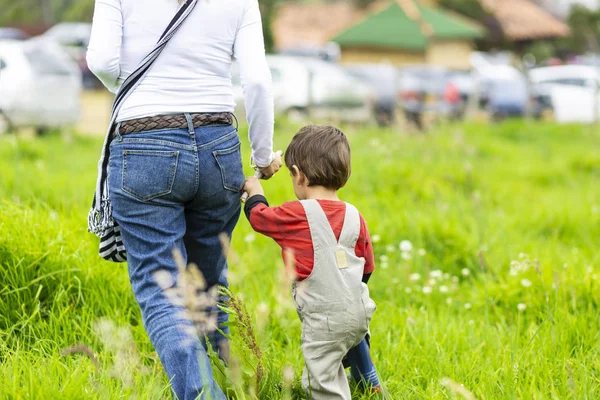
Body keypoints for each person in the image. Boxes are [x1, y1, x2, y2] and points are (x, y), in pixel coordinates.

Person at [86, 0, 281, 398]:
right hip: (218, 147)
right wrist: (262, 156)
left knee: (163, 289)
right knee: (207, 282)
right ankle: (227, 380)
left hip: (144, 138)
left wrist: (136, 86)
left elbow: (102, 62)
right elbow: (257, 80)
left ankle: (206, 393)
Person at [243, 125, 382, 398]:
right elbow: (367, 267)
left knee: (322, 382)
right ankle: (370, 382)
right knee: (354, 338)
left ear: (298, 175)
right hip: (359, 308)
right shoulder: (355, 215)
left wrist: (254, 190)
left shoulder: (297, 213)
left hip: (325, 321)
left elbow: (260, 217)